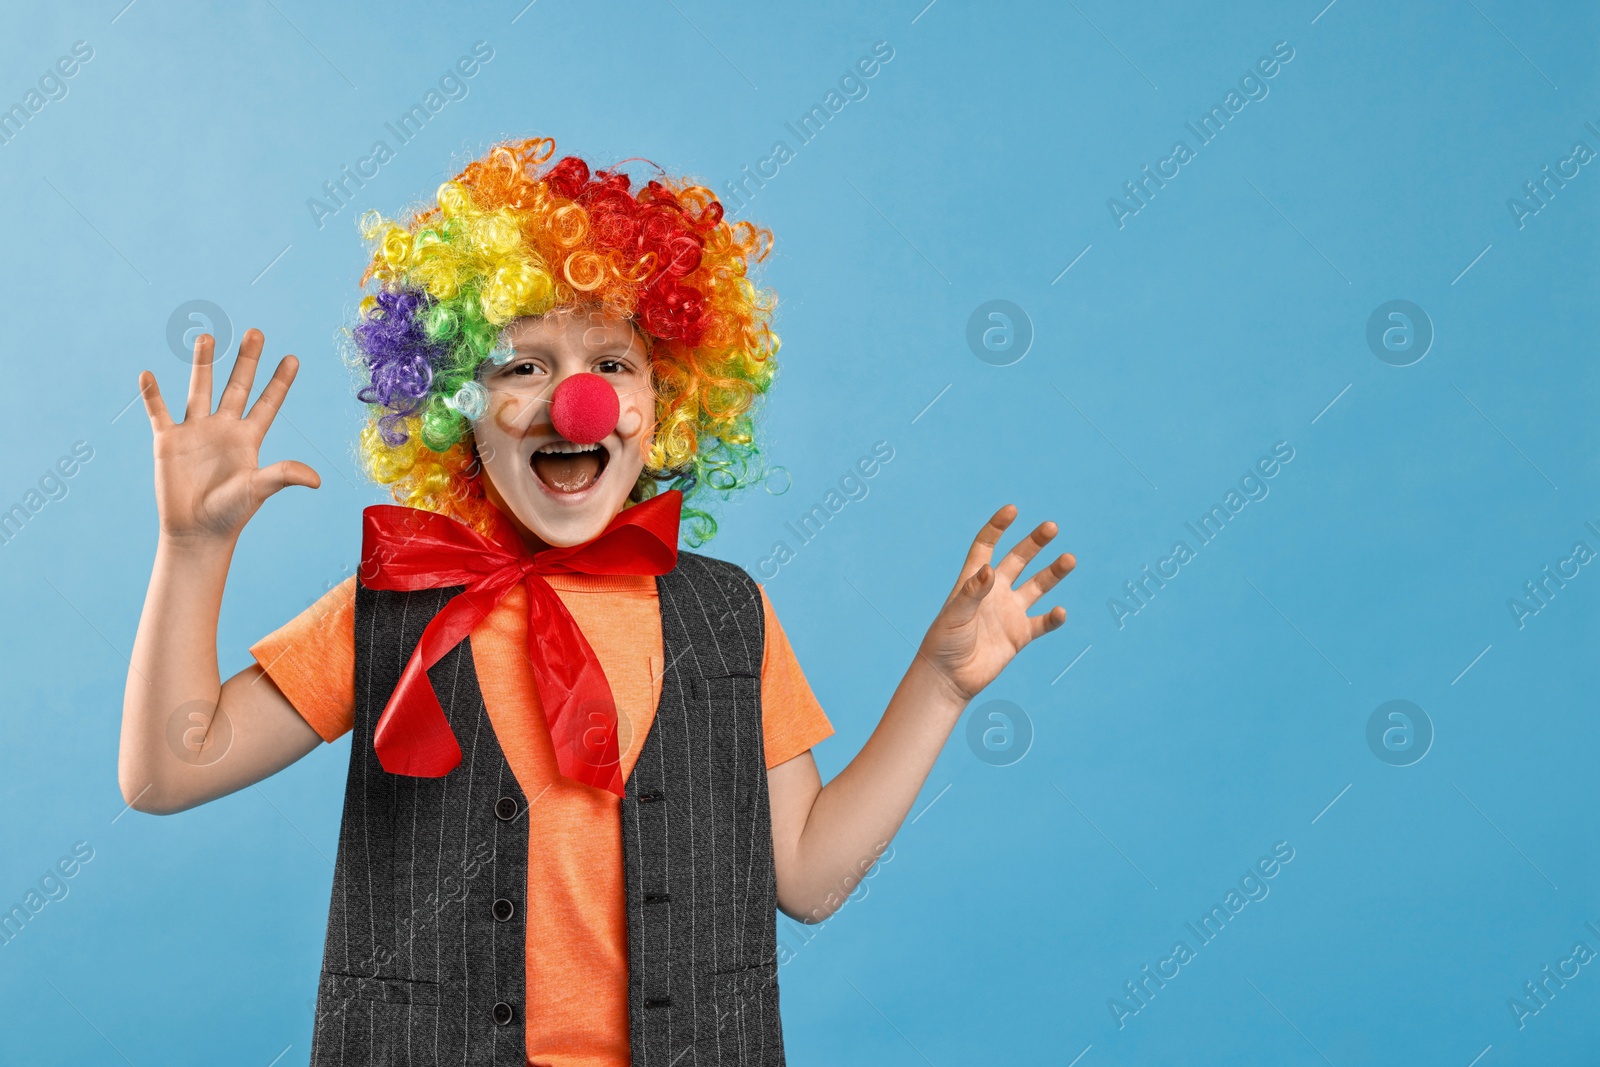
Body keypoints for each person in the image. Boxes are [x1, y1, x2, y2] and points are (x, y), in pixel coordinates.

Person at [118, 137, 1075, 1066]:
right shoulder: (398, 598)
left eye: (612, 364)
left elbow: (811, 877)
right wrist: (193, 549)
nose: (573, 401)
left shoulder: (729, 614)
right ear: (455, 405)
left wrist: (939, 686)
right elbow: (168, 769)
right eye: (523, 365)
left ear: (669, 404)